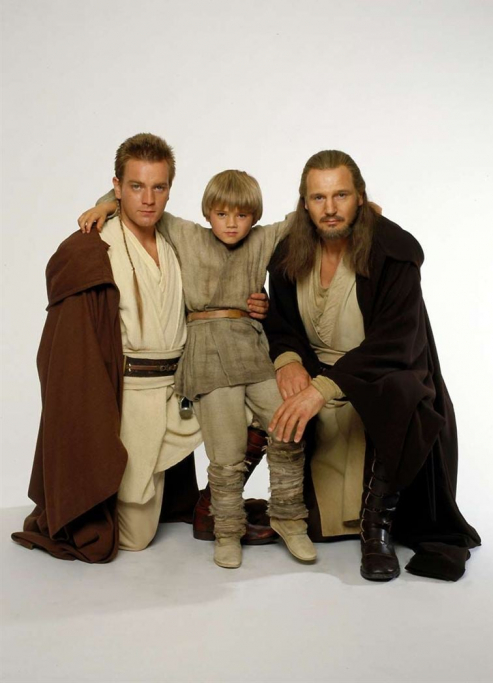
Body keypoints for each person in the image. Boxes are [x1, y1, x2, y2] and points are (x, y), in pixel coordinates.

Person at [11, 133, 270, 562]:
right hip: (131, 399)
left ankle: (213, 507)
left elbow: (220, 284)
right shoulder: (95, 245)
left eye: (158, 187)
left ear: (170, 189)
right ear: (117, 187)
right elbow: (68, 348)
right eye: (136, 186)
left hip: (183, 389)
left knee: (263, 405)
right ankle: (116, 491)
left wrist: (253, 304)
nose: (148, 199)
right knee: (136, 537)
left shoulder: (178, 242)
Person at [80, 169, 317, 569]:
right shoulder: (187, 234)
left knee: (289, 424)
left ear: (254, 217)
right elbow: (141, 206)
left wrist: (364, 211)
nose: (231, 224)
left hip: (253, 352)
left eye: (241, 215)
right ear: (208, 213)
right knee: (226, 450)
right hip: (208, 356)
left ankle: (289, 519)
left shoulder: (262, 239)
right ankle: (227, 531)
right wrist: (106, 204)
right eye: (222, 214)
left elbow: (305, 217)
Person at [264, 149, 481, 581]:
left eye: (341, 195)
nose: (330, 208)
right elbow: (281, 321)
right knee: (247, 386)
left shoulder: (392, 251)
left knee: (401, 391)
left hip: (379, 373)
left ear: (360, 196)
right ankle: (245, 507)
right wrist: (287, 361)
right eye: (319, 197)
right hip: (316, 372)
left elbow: (396, 342)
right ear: (304, 203)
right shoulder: (290, 250)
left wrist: (323, 389)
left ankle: (376, 526)